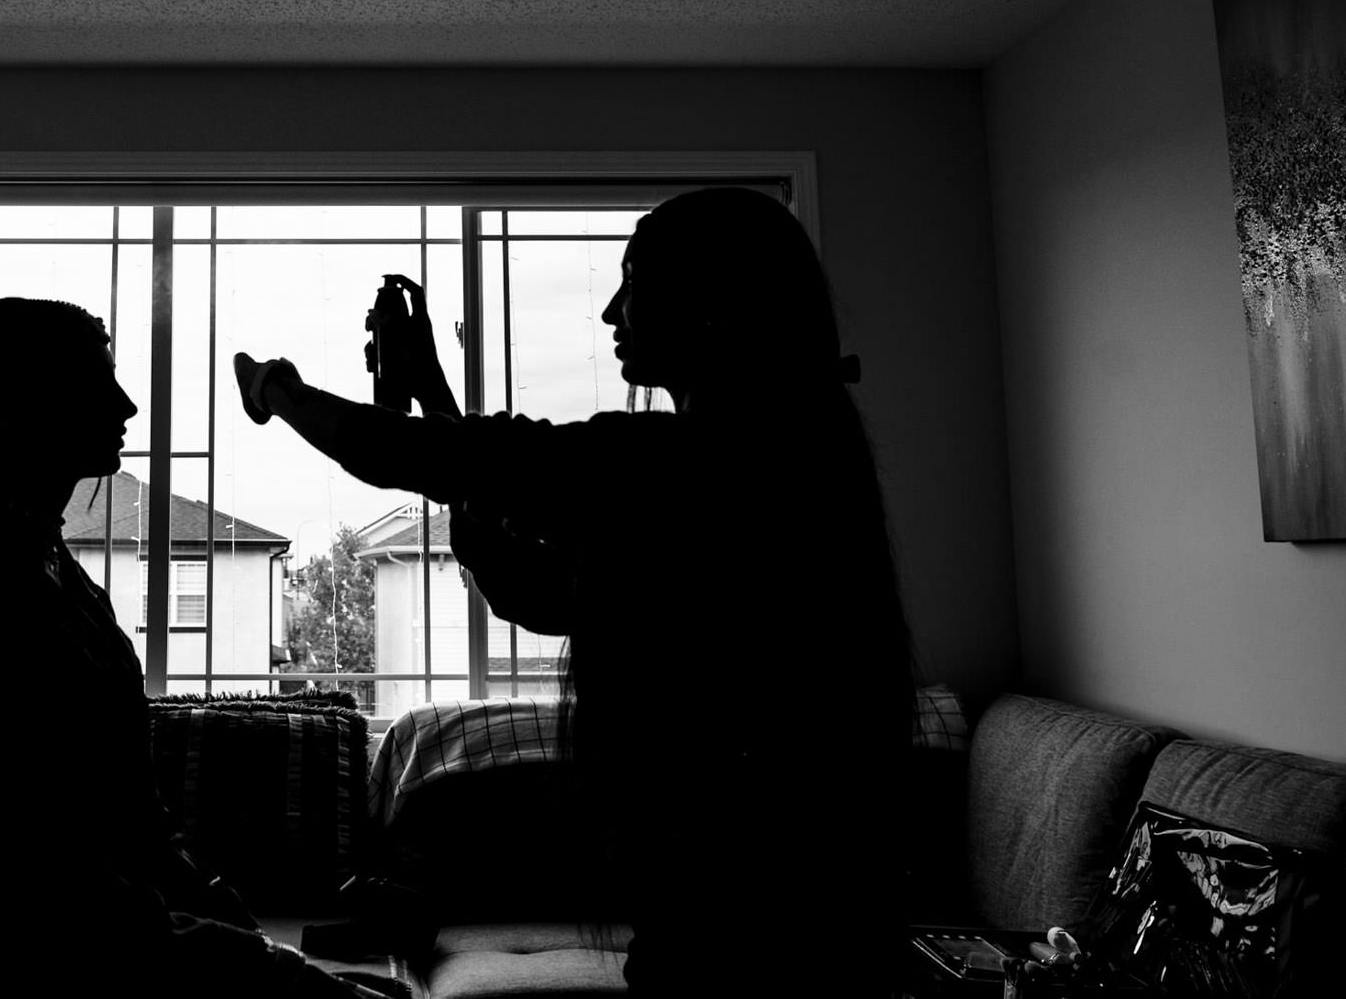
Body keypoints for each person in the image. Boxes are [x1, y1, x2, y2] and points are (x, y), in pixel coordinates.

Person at [233, 188, 915, 996]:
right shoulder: (777, 464)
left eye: (636, 282)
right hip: (791, 929)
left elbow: (416, 457)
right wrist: (433, 396)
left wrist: (273, 389)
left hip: (742, 943)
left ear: (713, 309)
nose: (612, 311)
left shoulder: (676, 466)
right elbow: (535, 588)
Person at [0, 296, 405, 998]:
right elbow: (39, 883)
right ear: (7, 407)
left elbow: (140, 826)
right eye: (96, 383)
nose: (126, 406)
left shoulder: (61, 579)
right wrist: (268, 970)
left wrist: (245, 934)